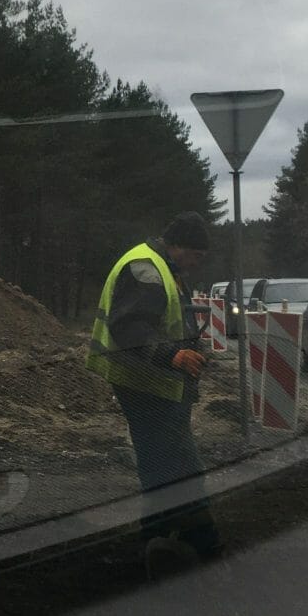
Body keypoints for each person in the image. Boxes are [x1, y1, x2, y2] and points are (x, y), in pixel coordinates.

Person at [85, 212, 222, 577]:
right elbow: (129, 327)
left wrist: (186, 352)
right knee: (175, 459)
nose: (197, 265)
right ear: (180, 246)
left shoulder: (163, 267)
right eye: (197, 256)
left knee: (162, 459)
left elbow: (165, 322)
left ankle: (159, 537)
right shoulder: (146, 269)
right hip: (143, 381)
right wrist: (173, 355)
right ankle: (196, 541)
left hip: (156, 380)